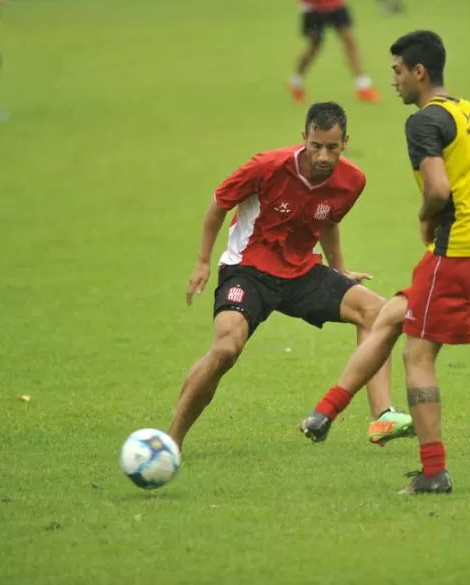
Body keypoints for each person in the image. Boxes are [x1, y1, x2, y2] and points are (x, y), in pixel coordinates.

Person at [300, 31, 470, 494]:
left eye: (397, 70)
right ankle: (326, 410)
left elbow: (437, 190)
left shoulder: (423, 123)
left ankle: (433, 473)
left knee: (417, 356)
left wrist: (425, 219)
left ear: (419, 72)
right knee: (394, 314)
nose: (392, 79)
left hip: (458, 252)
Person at [169, 102, 413, 453]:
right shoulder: (267, 166)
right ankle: (170, 441)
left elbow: (328, 220)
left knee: (380, 312)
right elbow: (219, 203)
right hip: (248, 271)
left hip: (301, 272)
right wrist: (203, 261)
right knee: (225, 350)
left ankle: (383, 416)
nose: (323, 156)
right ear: (304, 138)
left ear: (345, 142)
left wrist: (339, 268)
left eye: (332, 147)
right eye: (316, 146)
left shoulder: (352, 181)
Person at [287, 0, 380, 104]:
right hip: (313, 2)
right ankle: (296, 82)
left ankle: (363, 86)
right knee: (315, 45)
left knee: (348, 39)